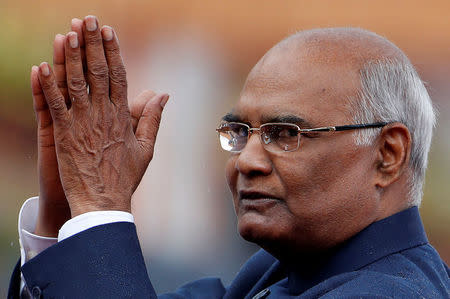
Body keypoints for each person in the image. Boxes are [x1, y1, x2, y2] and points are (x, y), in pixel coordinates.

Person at [8, 15, 449, 298]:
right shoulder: (270, 274)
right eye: (240, 132)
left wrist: (101, 209)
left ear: (388, 154)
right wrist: (66, 212)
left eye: (284, 133)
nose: (247, 161)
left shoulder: (393, 291)